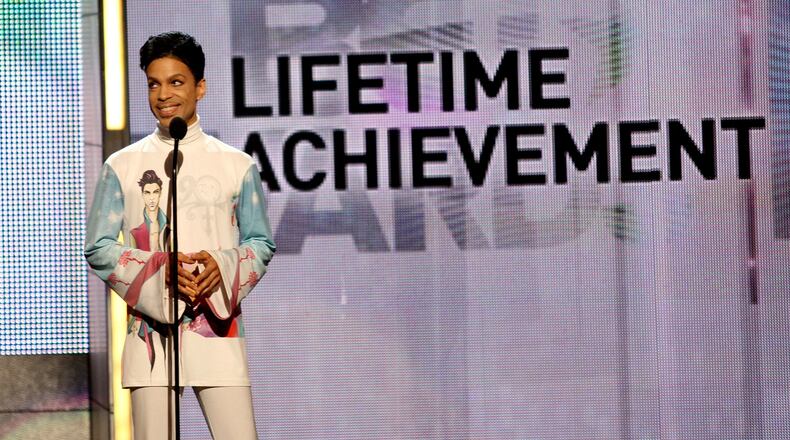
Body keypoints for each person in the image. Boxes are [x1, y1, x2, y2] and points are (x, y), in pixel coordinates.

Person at [85, 31, 275, 439]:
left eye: (176, 82)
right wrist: (159, 270)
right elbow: (98, 247)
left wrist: (222, 266)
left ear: (200, 87)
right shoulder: (121, 165)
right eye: (153, 83)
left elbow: (260, 242)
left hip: (217, 331)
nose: (163, 94)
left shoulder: (237, 165)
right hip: (151, 340)